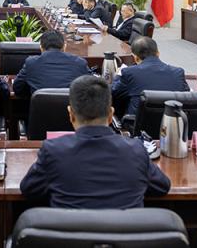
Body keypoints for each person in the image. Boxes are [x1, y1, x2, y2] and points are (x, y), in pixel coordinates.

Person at [20, 75, 170, 209]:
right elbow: (162, 186)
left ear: (71, 114)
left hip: (71, 233)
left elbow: (28, 189)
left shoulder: (53, 150)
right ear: (111, 115)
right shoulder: (136, 150)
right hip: (126, 232)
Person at [112, 37, 189, 118]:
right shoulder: (178, 73)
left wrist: (118, 75)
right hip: (171, 123)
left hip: (137, 124)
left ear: (135, 58)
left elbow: (113, 93)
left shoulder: (129, 73)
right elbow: (187, 96)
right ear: (158, 53)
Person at [13, 30, 91, 98]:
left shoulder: (31, 63)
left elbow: (17, 88)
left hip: (40, 110)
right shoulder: (79, 63)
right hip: (70, 109)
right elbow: (92, 88)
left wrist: (33, 93)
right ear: (64, 46)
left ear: (41, 48)